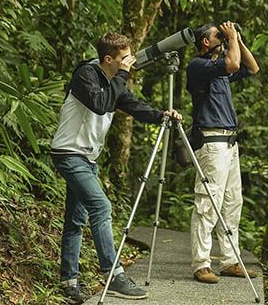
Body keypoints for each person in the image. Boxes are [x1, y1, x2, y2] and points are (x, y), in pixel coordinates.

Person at [51, 32, 182, 303]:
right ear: (108, 59)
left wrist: (161, 116)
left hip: (87, 158)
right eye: (124, 58)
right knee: (102, 207)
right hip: (69, 154)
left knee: (76, 220)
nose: (129, 62)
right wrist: (122, 75)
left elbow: (134, 107)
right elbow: (100, 105)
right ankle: (114, 275)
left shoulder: (114, 83)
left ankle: (69, 281)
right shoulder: (85, 74)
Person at [187, 21, 259, 284]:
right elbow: (231, 64)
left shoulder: (220, 70)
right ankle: (201, 264)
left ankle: (230, 261)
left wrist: (235, 39)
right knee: (208, 203)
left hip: (230, 144)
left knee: (231, 203)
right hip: (212, 142)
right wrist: (229, 40)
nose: (224, 37)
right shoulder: (199, 66)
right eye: (218, 35)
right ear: (205, 42)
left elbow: (251, 67)